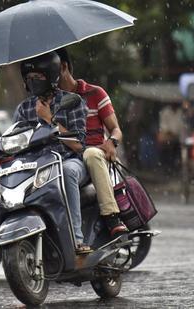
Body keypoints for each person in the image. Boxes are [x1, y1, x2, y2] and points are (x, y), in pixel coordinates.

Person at [12, 51, 91, 254]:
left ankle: (76, 239)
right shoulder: (24, 108)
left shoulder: (72, 101)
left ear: (52, 76)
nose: (33, 82)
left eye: (38, 77)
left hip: (70, 161)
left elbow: (78, 145)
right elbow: (16, 139)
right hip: (37, 165)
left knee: (66, 173)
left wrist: (49, 119)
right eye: (29, 78)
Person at [56, 48, 129, 237]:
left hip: (95, 155)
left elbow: (116, 129)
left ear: (64, 67)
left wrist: (112, 142)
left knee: (91, 153)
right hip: (67, 158)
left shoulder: (95, 93)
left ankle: (111, 216)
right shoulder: (49, 100)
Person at [157, 102, 184, 173]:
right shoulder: (165, 112)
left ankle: (174, 167)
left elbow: (181, 126)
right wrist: (170, 133)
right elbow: (163, 126)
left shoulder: (180, 112)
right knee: (165, 146)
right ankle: (166, 167)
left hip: (177, 137)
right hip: (167, 135)